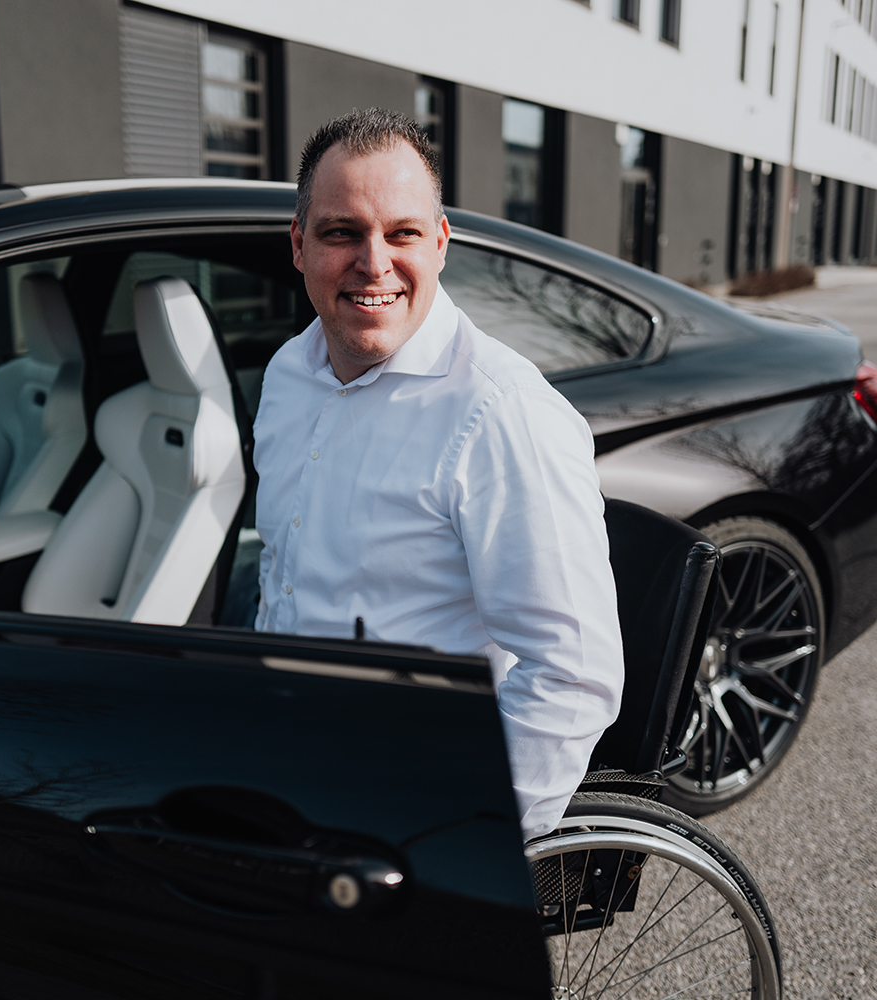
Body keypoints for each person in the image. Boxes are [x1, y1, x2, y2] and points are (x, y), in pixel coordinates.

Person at [253, 108, 623, 838]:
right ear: (298, 245)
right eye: (341, 233)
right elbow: (283, 578)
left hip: (401, 805)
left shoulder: (501, 413)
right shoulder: (286, 375)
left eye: (402, 233)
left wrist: (454, 839)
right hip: (285, 757)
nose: (374, 262)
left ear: (442, 242)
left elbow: (572, 678)